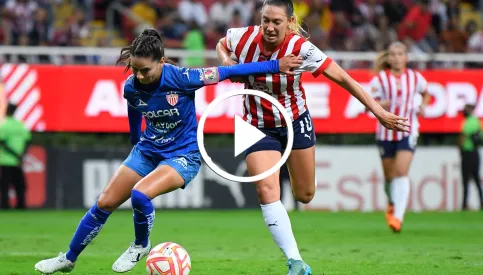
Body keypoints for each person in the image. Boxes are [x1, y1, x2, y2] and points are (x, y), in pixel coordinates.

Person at [34, 28, 303, 274]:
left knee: (140, 194)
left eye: (145, 71)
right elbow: (133, 106)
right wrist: (134, 136)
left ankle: (140, 246)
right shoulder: (131, 86)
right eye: (135, 70)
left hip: (183, 155)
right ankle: (68, 259)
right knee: (104, 202)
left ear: (162, 62)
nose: (139, 76)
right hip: (147, 150)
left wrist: (275, 65)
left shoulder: (184, 78)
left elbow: (230, 72)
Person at [216, 0, 410, 273]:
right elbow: (222, 44)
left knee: (305, 194)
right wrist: (227, 62)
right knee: (266, 190)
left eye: (277, 22)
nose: (270, 28)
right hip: (255, 124)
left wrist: (378, 111)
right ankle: (295, 261)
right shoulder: (242, 37)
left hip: (295, 120)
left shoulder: (302, 50)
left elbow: (343, 79)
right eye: (266, 21)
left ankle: (303, 172)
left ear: (290, 22)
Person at [370, 41, 431, 233]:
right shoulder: (380, 79)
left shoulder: (415, 77)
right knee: (389, 177)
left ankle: (398, 216)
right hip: (385, 131)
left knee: (401, 172)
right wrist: (381, 104)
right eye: (393, 54)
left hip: (408, 129)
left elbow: (426, 93)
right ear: (388, 58)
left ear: (406, 57)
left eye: (400, 53)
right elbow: (370, 102)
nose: (396, 57)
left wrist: (423, 106)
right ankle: (392, 203)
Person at [0, 103, 31, 209]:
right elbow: (27, 141)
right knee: (20, 185)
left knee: (5, 185)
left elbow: (2, 142)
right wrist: (21, 155)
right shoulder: (21, 125)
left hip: (5, 160)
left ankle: (5, 205)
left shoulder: (5, 125)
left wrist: (15, 155)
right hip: (18, 161)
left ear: (6, 111)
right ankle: (21, 205)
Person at [459, 103, 483, 211]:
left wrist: (460, 149)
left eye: (465, 109)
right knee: (477, 179)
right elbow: (482, 136)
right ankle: (482, 204)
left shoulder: (468, 122)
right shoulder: (478, 121)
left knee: (465, 181)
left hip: (467, 153)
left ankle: (464, 205)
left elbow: (462, 137)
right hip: (476, 153)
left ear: (470, 110)